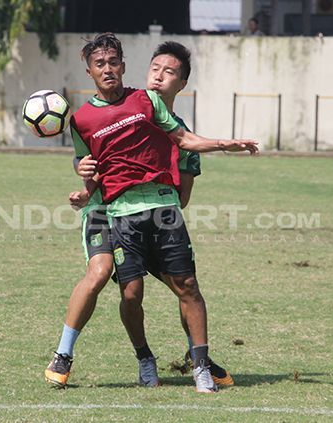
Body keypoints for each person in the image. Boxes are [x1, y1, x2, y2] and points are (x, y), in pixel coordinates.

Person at [46, 32, 259, 393]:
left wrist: (221, 146)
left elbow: (184, 188)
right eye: (155, 68)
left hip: (158, 209)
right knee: (107, 277)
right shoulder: (85, 119)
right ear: (90, 71)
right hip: (107, 208)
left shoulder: (155, 112)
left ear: (182, 82)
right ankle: (68, 354)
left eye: (169, 71)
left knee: (185, 286)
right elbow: (88, 165)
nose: (159, 75)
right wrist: (84, 183)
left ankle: (199, 357)